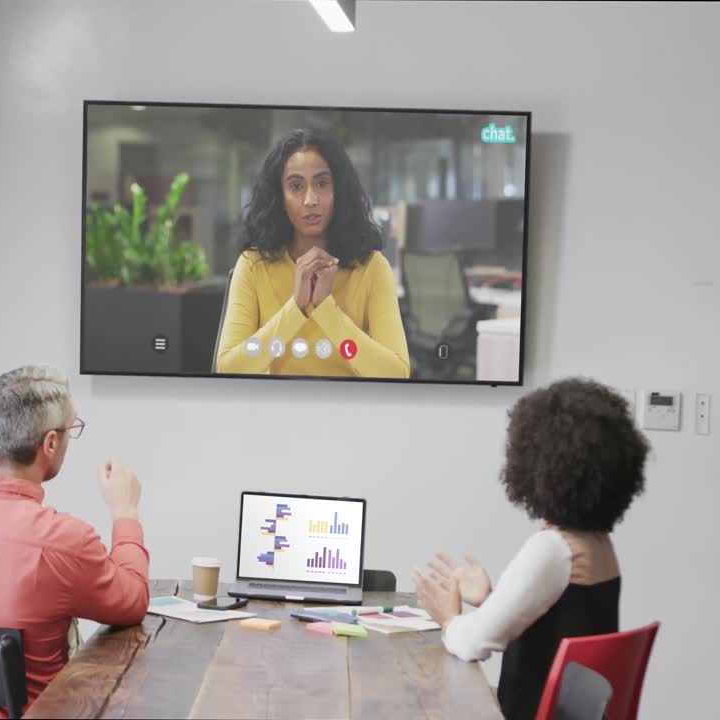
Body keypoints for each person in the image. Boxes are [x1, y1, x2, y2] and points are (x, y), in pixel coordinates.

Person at [0, 366, 149, 719]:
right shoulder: (63, 541)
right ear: (50, 443)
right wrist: (125, 510)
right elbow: (134, 602)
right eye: (70, 431)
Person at [413, 378, 649, 719]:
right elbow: (557, 620)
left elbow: (473, 643)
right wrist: (489, 598)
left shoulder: (553, 550)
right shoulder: (599, 545)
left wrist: (448, 618)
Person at [215, 128, 409, 378]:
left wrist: (326, 311)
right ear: (280, 198)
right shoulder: (253, 265)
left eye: (322, 183)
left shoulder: (371, 267)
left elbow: (396, 373)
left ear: (339, 191)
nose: (310, 199)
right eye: (296, 186)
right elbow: (229, 369)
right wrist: (296, 307)